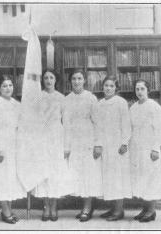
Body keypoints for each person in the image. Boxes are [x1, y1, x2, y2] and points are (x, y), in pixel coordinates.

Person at [32, 69, 73, 222]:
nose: (48, 80)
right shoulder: (38, 97)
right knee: (43, 172)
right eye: (46, 78)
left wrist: (66, 146)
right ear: (42, 80)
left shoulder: (62, 98)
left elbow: (67, 123)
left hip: (57, 137)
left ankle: (54, 206)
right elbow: (33, 122)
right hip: (42, 138)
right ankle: (45, 206)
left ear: (56, 80)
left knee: (55, 173)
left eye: (51, 78)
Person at [64, 70, 102, 222]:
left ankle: (88, 207)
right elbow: (65, 124)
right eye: (74, 78)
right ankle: (84, 206)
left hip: (88, 140)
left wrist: (98, 144)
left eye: (79, 78)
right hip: (74, 142)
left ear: (84, 81)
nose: (77, 81)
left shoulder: (91, 98)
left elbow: (98, 122)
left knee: (88, 175)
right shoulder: (67, 99)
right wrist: (66, 146)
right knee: (77, 174)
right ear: (70, 81)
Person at [0, 75, 25, 224]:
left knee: (11, 179)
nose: (8, 88)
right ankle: (5, 210)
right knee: (2, 179)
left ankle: (9, 209)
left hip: (14, 146)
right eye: (4, 86)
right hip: (2, 146)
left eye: (10, 85)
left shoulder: (16, 104)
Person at [95, 75, 132, 221]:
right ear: (102, 87)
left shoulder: (121, 102)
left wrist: (124, 143)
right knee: (108, 177)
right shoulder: (100, 103)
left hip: (117, 145)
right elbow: (97, 125)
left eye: (111, 86)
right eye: (106, 86)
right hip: (105, 145)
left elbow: (126, 124)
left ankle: (119, 210)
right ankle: (112, 208)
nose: (108, 88)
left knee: (118, 178)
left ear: (116, 88)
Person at [129, 79, 161, 222]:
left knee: (151, 179)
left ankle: (151, 210)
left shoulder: (154, 107)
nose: (139, 92)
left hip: (150, 148)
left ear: (147, 90)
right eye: (137, 89)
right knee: (141, 179)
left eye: (142, 89)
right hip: (137, 148)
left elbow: (160, 129)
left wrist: (156, 148)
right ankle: (145, 209)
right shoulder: (133, 107)